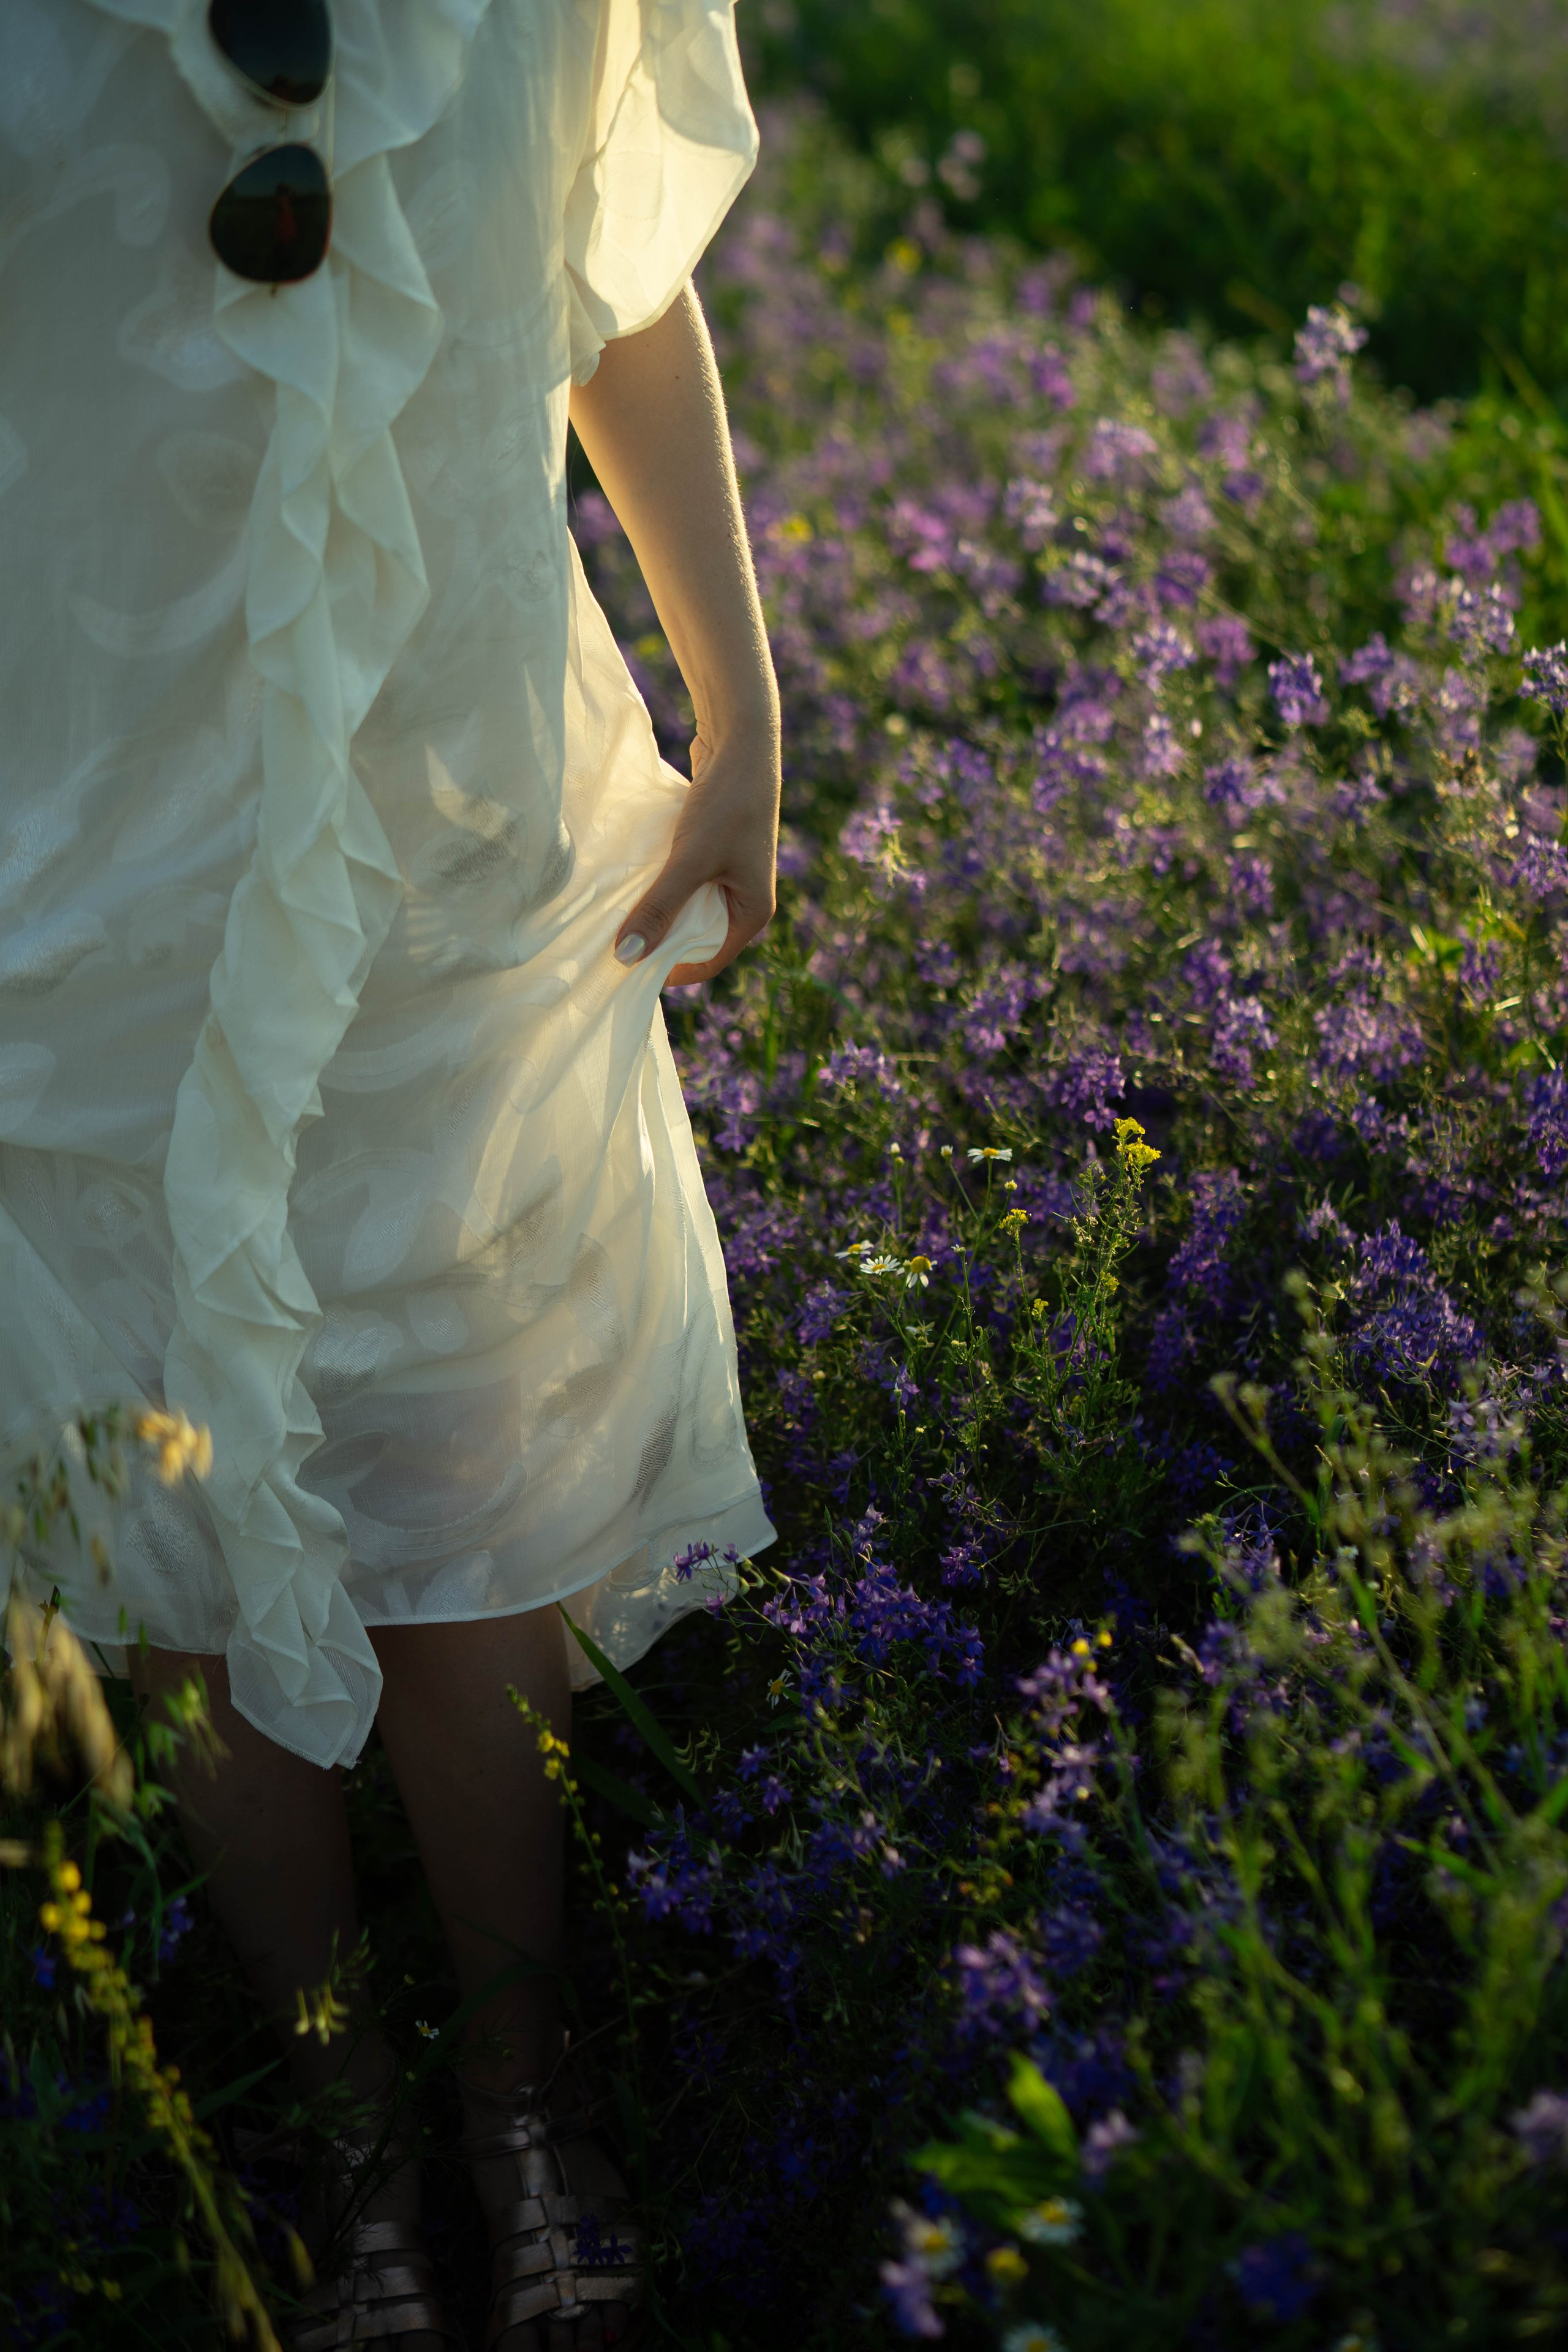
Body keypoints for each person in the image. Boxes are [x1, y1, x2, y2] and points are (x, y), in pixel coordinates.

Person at [0, 2, 780, 2344]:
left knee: (474, 1524)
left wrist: (744, 700)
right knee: (190, 1550)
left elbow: (612, 280)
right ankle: (346, 2158)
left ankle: (526, 2117)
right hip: (78, 866)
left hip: (452, 829)